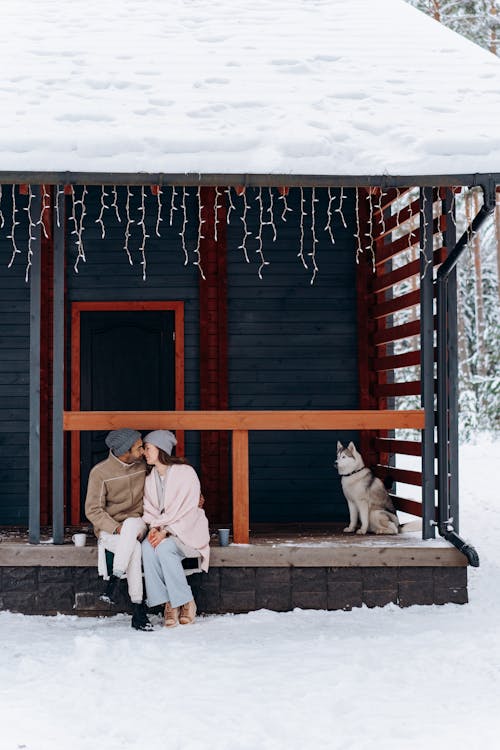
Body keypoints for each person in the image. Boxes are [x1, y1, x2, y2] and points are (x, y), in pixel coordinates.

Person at [85, 428, 153, 631]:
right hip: (112, 531)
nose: (143, 450)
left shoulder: (143, 466)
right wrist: (116, 528)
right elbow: (93, 510)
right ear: (125, 450)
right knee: (135, 548)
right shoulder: (100, 473)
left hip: (138, 524)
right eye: (139, 447)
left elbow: (167, 475)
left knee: (132, 526)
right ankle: (138, 608)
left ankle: (113, 582)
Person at [141, 430, 210, 627]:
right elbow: (149, 508)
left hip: (186, 530)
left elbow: (189, 509)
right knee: (147, 548)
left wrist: (167, 530)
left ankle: (184, 600)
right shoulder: (150, 477)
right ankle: (170, 601)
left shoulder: (185, 473)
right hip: (162, 529)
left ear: (160, 449)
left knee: (163, 547)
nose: (144, 452)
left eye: (148, 448)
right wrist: (154, 528)